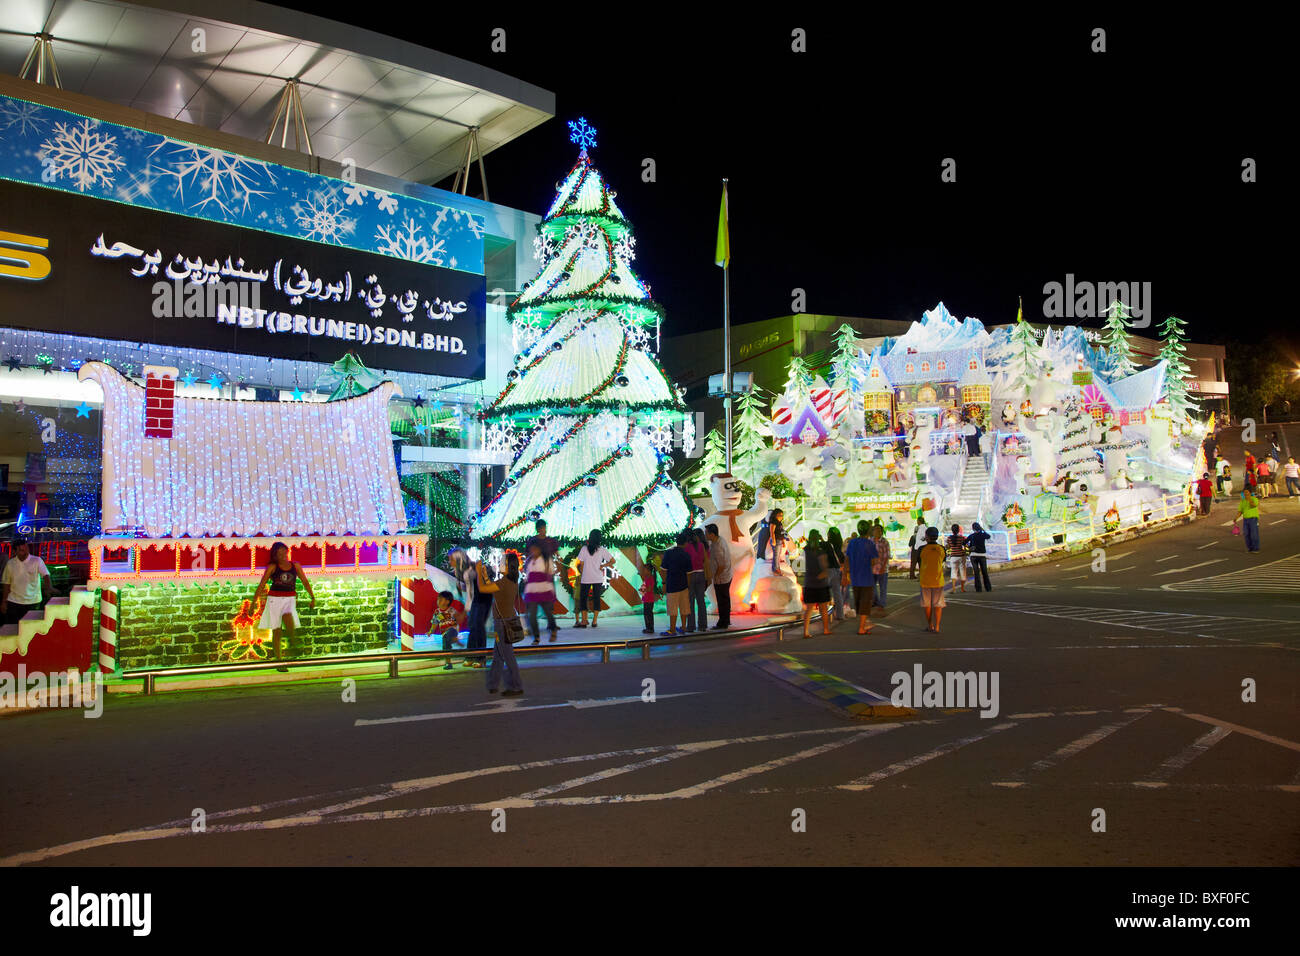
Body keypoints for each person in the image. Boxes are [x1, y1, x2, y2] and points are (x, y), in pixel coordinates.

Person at [253, 541, 317, 672]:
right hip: (274, 599)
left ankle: (292, 639)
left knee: (288, 616)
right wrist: (253, 602)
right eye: (279, 552)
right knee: (276, 631)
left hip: (289, 598)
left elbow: (304, 581)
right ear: (275, 555)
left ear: (287, 551)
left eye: (283, 551)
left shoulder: (295, 566)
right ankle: (279, 661)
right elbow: (262, 584)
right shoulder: (273, 567)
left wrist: (312, 597)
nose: (282, 554)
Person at [476, 552, 524, 697]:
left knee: (507, 656)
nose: (500, 564)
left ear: (510, 566)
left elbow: (483, 589)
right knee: (498, 655)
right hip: (505, 622)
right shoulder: (511, 581)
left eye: (503, 562)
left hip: (502, 625)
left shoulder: (504, 582)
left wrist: (478, 572)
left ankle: (516, 686)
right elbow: (492, 587)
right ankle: (493, 684)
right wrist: (485, 575)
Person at [1, 537, 51, 627]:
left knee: (31, 628)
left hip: (33, 602)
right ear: (15, 551)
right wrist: (4, 602)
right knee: (14, 628)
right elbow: (6, 583)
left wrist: (48, 588)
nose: (24, 551)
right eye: (21, 550)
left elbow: (46, 575)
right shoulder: (10, 564)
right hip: (14, 601)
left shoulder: (36, 560)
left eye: (25, 548)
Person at [574, 529, 615, 628]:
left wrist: (582, 573)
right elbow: (613, 561)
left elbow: (580, 564)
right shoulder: (602, 550)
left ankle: (584, 620)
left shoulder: (584, 549)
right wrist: (603, 565)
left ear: (590, 537)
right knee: (597, 599)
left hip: (585, 578)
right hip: (597, 578)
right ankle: (595, 621)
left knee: (583, 599)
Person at [843, 520, 876, 635]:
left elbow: (846, 559)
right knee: (865, 602)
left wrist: (844, 574)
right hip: (866, 577)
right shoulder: (870, 544)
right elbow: (874, 561)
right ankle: (862, 627)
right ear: (868, 530)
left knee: (858, 601)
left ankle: (864, 623)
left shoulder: (852, 543)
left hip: (855, 577)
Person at [522, 543, 559, 645]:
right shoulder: (529, 560)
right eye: (531, 549)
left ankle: (553, 629)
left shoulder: (546, 560)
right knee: (532, 615)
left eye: (535, 549)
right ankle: (536, 637)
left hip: (544, 589)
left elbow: (551, 573)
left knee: (548, 612)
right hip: (532, 590)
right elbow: (527, 574)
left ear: (540, 549)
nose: (533, 551)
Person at [659, 532, 693, 636]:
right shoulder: (686, 555)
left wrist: (664, 583)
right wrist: (688, 585)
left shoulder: (669, 553)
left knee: (672, 608)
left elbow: (663, 570)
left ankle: (672, 630)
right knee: (684, 607)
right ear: (686, 543)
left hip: (672, 584)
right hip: (683, 585)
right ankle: (683, 627)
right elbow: (689, 574)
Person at [801, 529, 832, 638]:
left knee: (809, 609)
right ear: (818, 538)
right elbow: (824, 567)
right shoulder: (821, 551)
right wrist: (824, 573)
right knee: (823, 608)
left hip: (809, 582)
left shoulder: (805, 550)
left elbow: (799, 565)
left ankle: (805, 631)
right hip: (821, 583)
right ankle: (826, 629)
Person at [917, 527, 947, 633]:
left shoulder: (921, 549)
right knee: (938, 604)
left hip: (925, 580)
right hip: (938, 580)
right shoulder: (942, 549)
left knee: (927, 605)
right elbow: (943, 560)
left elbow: (919, 562)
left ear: (926, 537)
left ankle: (930, 625)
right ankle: (937, 626)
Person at [705, 524, 733, 629]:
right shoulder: (718, 541)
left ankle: (723, 622)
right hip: (724, 576)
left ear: (712, 534)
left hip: (722, 577)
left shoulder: (718, 546)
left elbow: (721, 565)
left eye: (706, 533)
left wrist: (715, 577)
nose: (705, 535)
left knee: (722, 600)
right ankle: (725, 620)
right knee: (724, 599)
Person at [681, 528, 709, 633]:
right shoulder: (701, 545)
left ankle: (691, 626)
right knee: (701, 601)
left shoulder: (686, 547)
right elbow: (705, 560)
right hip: (701, 574)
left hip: (690, 575)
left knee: (690, 601)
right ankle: (702, 625)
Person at [433, 590, 467, 669]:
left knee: (450, 632)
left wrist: (463, 613)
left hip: (453, 630)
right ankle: (448, 663)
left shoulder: (451, 610)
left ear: (447, 602)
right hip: (444, 633)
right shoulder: (437, 612)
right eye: (438, 599)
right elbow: (435, 622)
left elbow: (459, 618)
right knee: (445, 647)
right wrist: (431, 631)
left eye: (441, 599)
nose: (438, 601)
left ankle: (455, 640)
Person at [824, 526, 846, 622]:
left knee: (824, 593)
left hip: (827, 570)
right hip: (836, 570)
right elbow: (842, 558)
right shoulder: (838, 545)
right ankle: (840, 615)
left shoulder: (827, 545)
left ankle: (825, 615)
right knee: (837, 593)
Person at [1233, 488, 1261, 553]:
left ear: (1250, 493)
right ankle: (1250, 548)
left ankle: (1256, 548)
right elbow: (1240, 511)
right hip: (1245, 519)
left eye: (1247, 492)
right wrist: (1236, 518)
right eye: (1244, 493)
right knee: (1246, 534)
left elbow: (1253, 505)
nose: (1245, 494)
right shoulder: (1243, 501)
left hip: (1253, 519)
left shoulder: (1254, 499)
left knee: (1254, 534)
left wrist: (1250, 499)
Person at [966, 521, 992, 592]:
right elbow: (988, 536)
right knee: (984, 572)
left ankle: (978, 588)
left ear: (973, 528)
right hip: (982, 555)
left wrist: (969, 547)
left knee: (976, 573)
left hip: (973, 556)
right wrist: (983, 530)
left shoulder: (971, 536)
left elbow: (964, 542)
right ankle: (988, 588)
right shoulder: (982, 534)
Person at [871, 523, 891, 609]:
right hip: (872, 568)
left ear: (882, 532)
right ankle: (875, 601)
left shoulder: (884, 542)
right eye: (876, 530)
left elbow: (886, 556)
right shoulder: (870, 541)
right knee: (872, 586)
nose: (877, 532)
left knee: (883, 587)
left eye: (879, 530)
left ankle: (882, 604)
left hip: (882, 568)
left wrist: (883, 567)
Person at [639, 550, 659, 635]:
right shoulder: (648, 578)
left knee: (648, 614)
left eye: (645, 570)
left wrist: (643, 590)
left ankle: (650, 628)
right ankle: (649, 628)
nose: (644, 571)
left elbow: (650, 589)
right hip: (647, 599)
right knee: (647, 614)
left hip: (649, 599)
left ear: (649, 571)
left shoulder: (650, 578)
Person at [945, 524, 969, 592]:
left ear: (952, 530)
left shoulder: (949, 538)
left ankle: (953, 589)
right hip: (961, 556)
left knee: (953, 572)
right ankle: (962, 588)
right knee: (963, 571)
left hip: (953, 557)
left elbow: (948, 547)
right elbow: (966, 545)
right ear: (958, 530)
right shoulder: (961, 538)